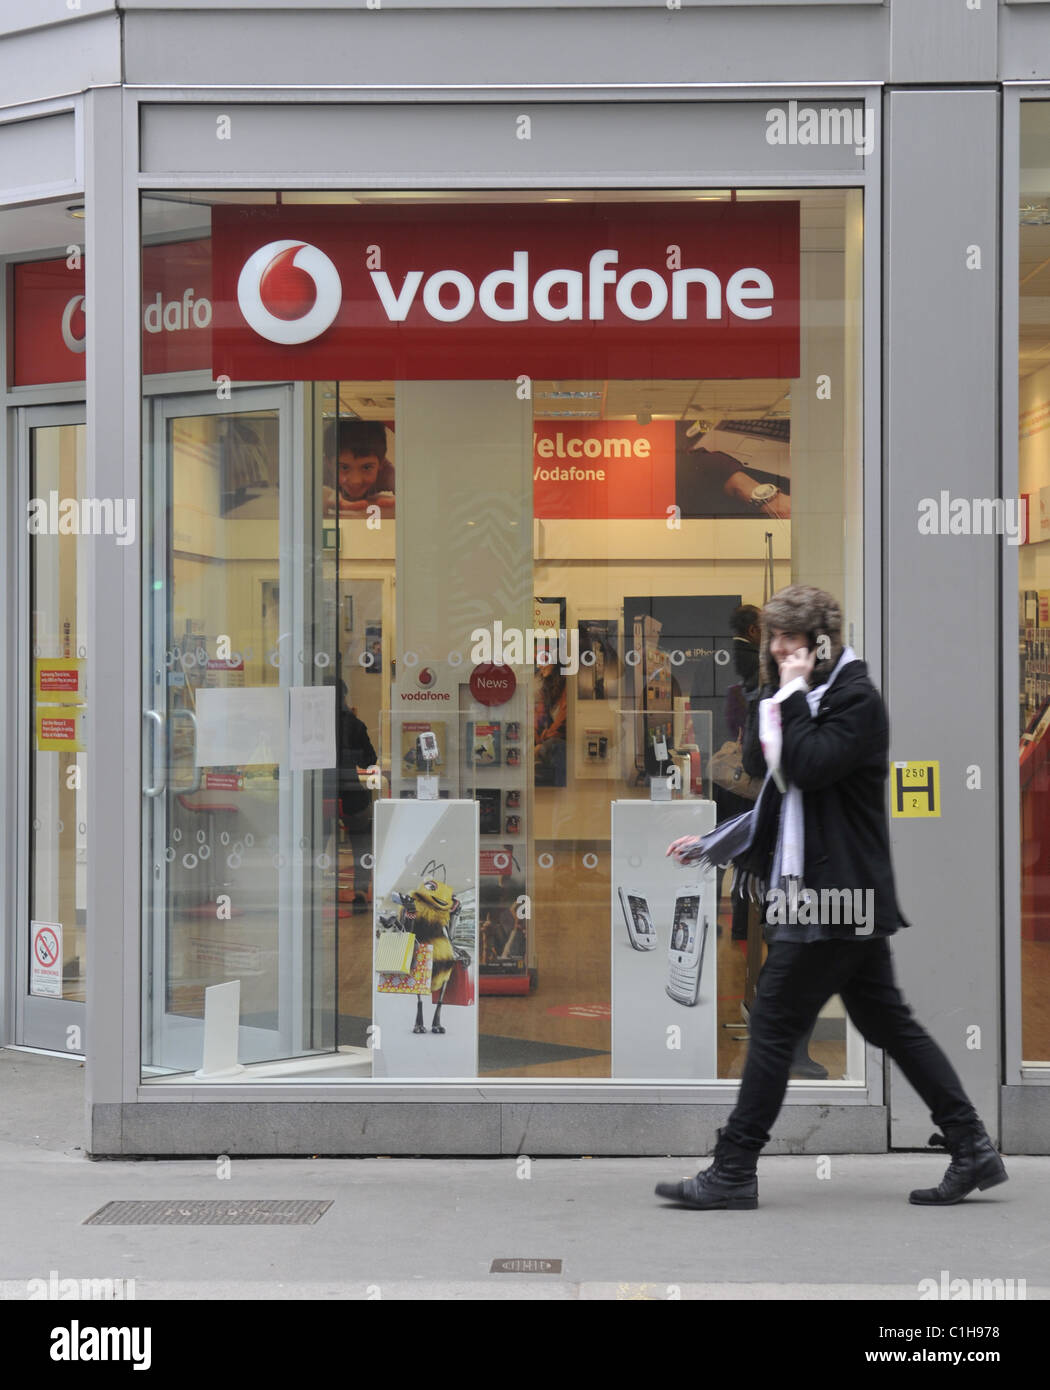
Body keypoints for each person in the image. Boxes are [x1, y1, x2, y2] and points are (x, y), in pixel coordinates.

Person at [656, 585, 1007, 1210]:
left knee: (770, 1026)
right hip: (820, 894)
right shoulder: (797, 696)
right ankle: (971, 1146)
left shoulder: (856, 702)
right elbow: (773, 780)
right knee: (887, 1023)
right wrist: (718, 840)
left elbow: (810, 765)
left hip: (834, 897)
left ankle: (734, 1169)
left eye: (791, 641)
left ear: (821, 643)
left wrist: (788, 695)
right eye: (773, 640)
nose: (779, 650)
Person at [334, 679, 378, 910]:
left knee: (316, 846)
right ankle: (360, 890)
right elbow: (370, 758)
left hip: (321, 794)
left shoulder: (311, 725)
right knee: (361, 843)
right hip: (351, 793)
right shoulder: (354, 724)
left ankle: (311, 890)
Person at [322, 419, 396, 516]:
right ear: (328, 463)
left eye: (367, 467)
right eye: (344, 467)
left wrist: (407, 501)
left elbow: (414, 493)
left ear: (381, 464)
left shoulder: (387, 473)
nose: (355, 481)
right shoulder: (319, 470)